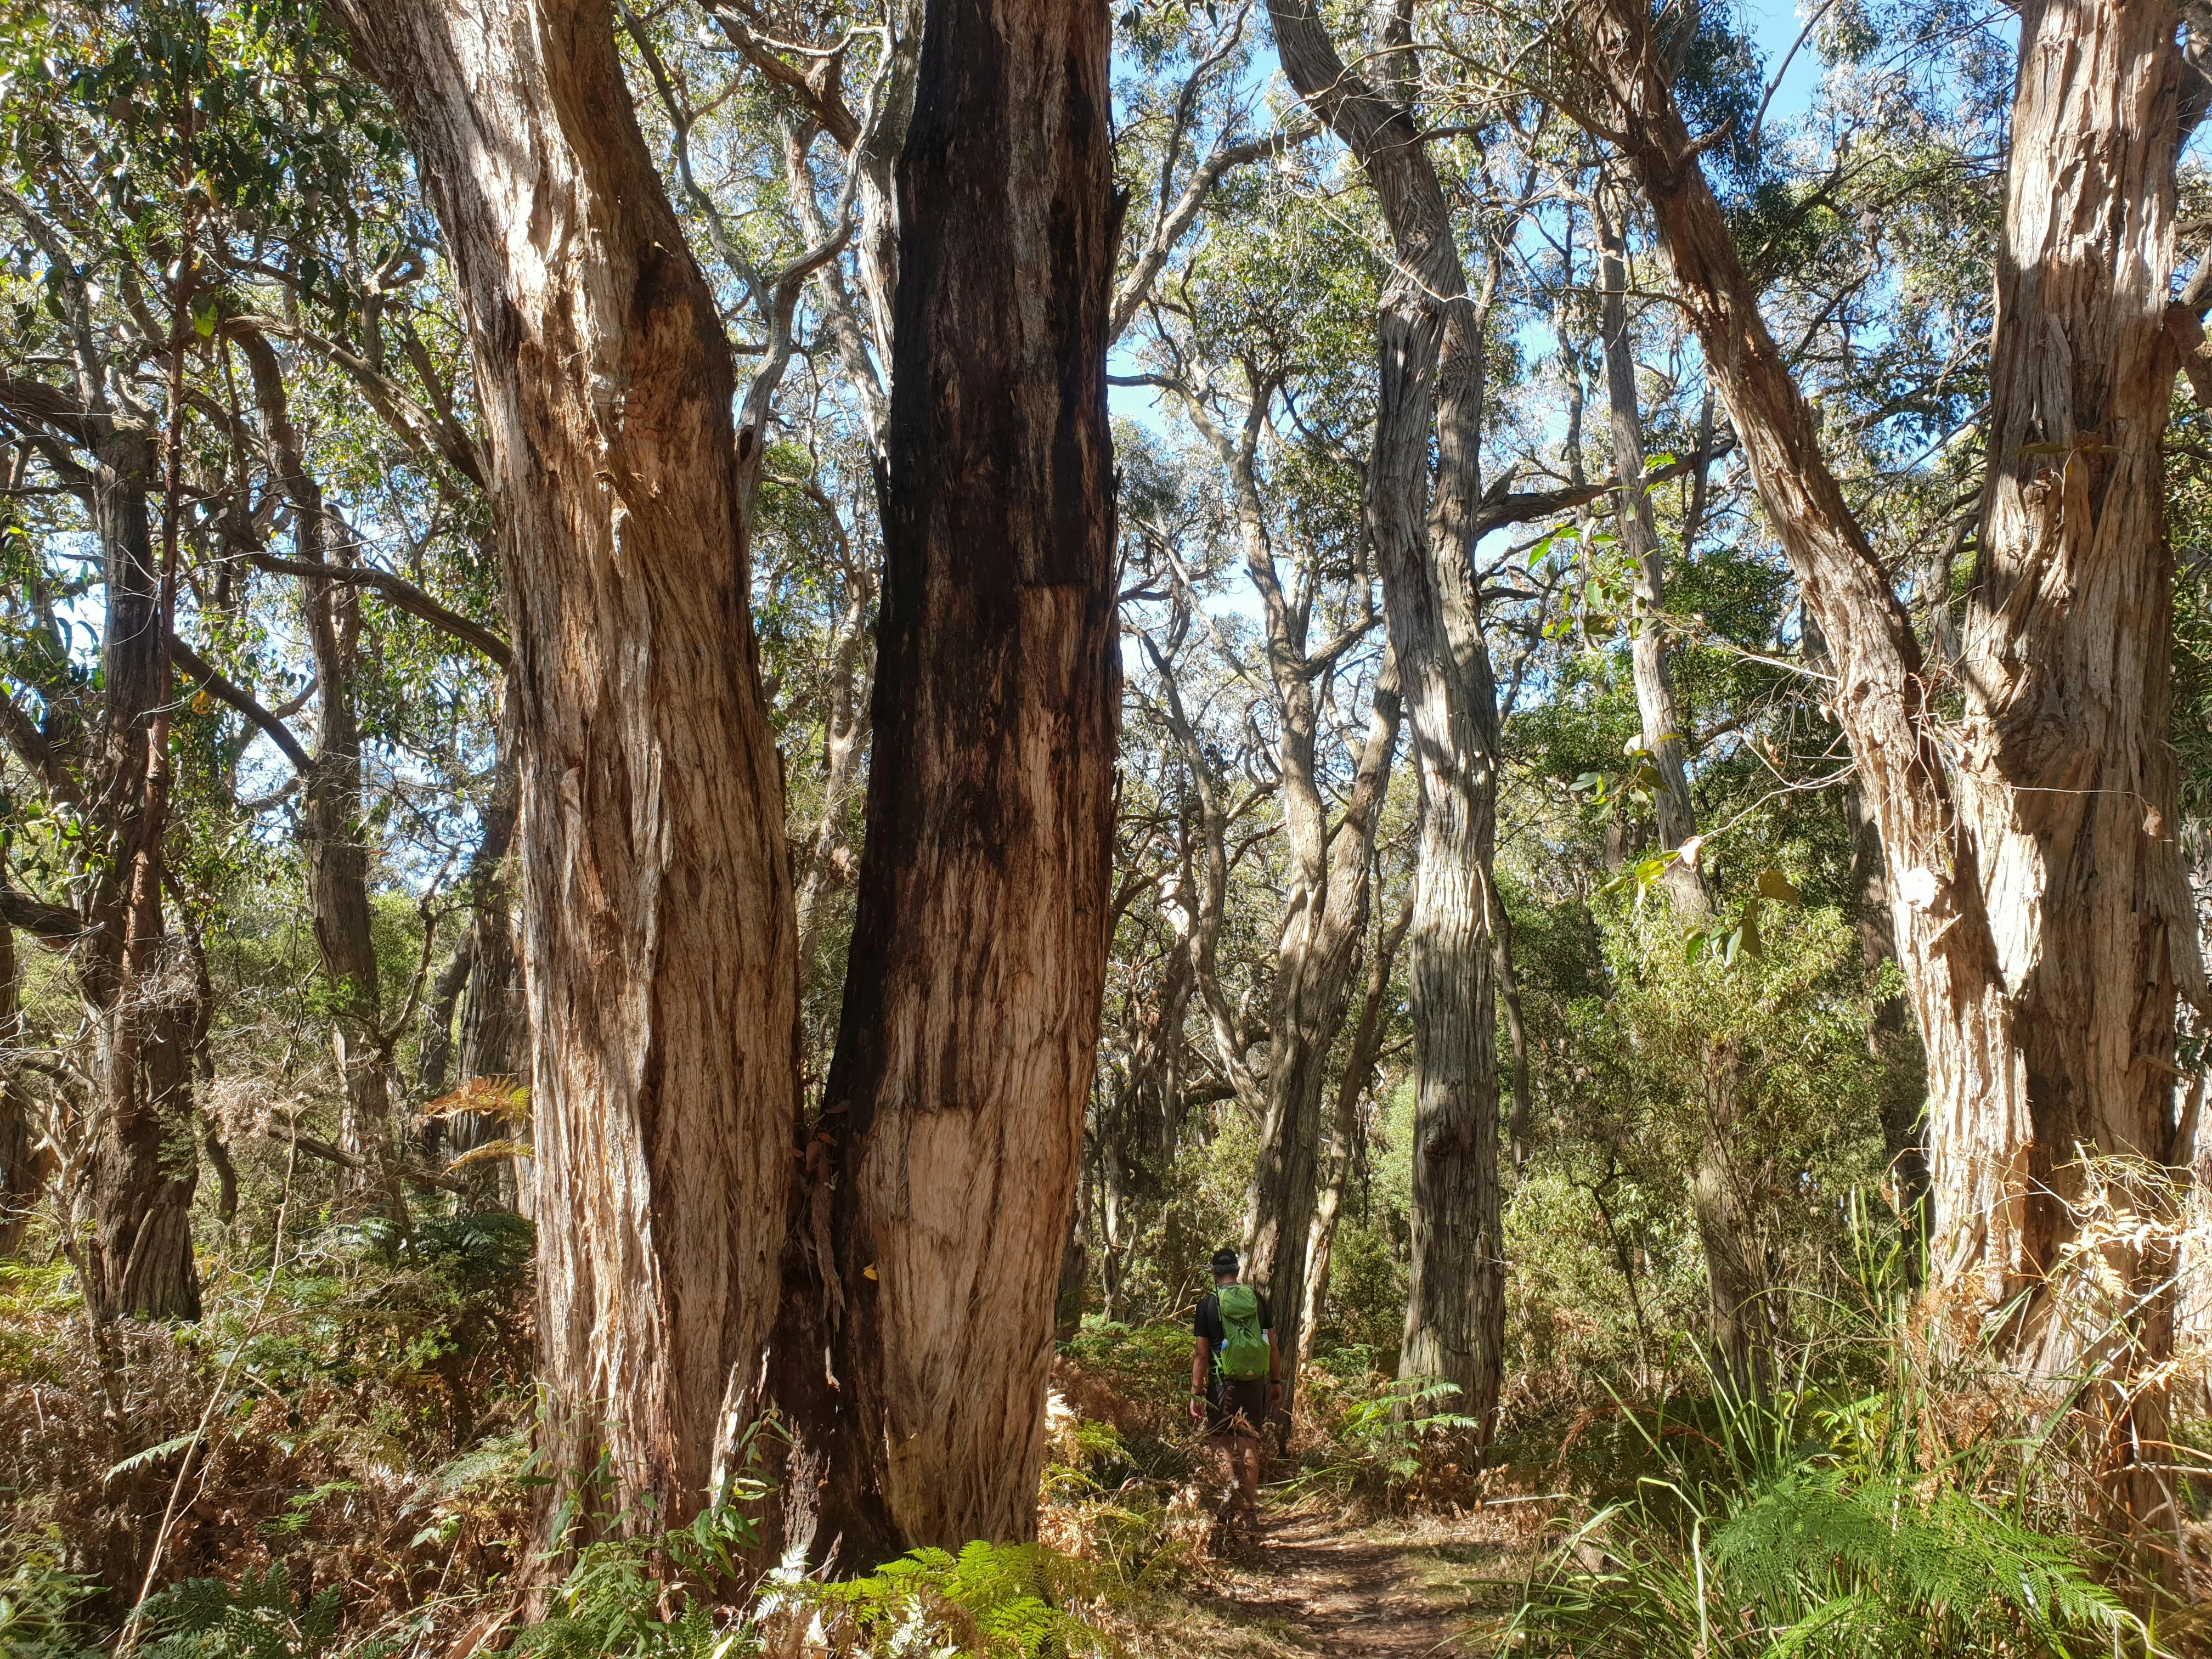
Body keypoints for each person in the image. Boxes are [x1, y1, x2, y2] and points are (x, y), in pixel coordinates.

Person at [1188, 1246, 1282, 1526]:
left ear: (1214, 1274)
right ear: (1237, 1272)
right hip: (1254, 1382)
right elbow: (1272, 1346)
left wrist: (1195, 1393)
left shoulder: (1208, 1304)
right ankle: (1249, 1509)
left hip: (1222, 1383)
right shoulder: (1257, 1300)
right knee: (1248, 1441)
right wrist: (1275, 1382)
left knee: (1220, 1440)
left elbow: (1202, 1354)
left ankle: (1229, 1506)